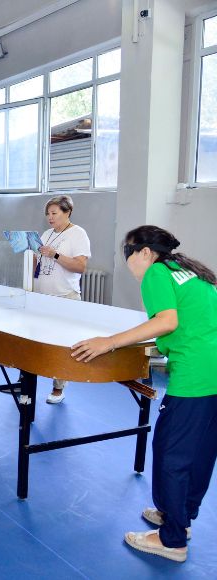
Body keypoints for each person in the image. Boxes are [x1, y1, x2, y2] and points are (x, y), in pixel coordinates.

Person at [71, 226, 217, 564]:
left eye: (128, 253)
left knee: (171, 454)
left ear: (146, 253)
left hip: (194, 377)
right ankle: (179, 517)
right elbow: (193, 322)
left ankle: (172, 539)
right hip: (213, 372)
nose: (128, 262)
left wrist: (109, 342)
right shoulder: (188, 272)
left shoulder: (156, 273)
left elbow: (166, 321)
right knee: (201, 452)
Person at [33, 194, 91, 404]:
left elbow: (80, 266)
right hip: (43, 298)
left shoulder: (78, 234)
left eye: (54, 213)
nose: (50, 217)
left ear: (68, 213)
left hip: (65, 297)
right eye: (48, 214)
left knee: (62, 345)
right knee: (35, 340)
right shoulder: (46, 234)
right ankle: (25, 379)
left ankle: (58, 388)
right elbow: (38, 263)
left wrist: (55, 255)